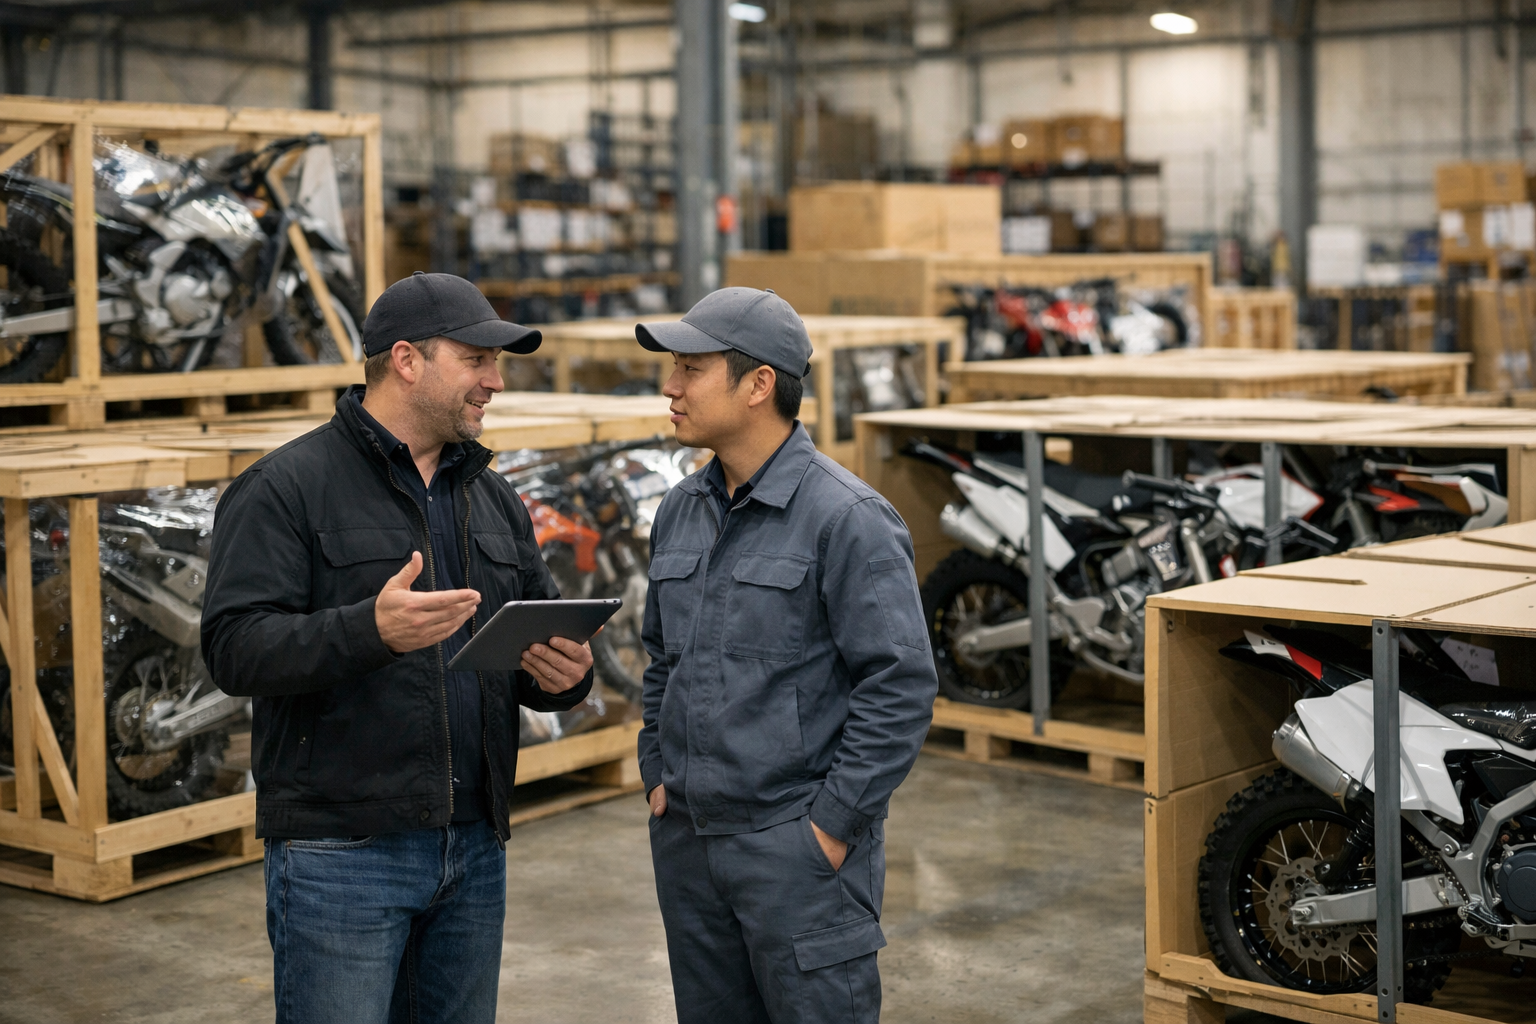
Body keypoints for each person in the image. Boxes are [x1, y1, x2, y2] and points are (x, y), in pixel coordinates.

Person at [201, 272, 596, 1024]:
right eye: (477, 359)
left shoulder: (491, 496)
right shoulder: (286, 488)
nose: (496, 381)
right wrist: (367, 631)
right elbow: (232, 649)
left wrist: (562, 678)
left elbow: (525, 642)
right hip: (343, 855)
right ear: (408, 360)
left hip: (475, 846)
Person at [634, 287, 939, 1023]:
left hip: (793, 852)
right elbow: (660, 658)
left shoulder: (848, 519)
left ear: (758, 385)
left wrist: (831, 826)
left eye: (689, 369)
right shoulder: (682, 508)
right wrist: (657, 773)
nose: (669, 388)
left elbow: (898, 686)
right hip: (689, 843)